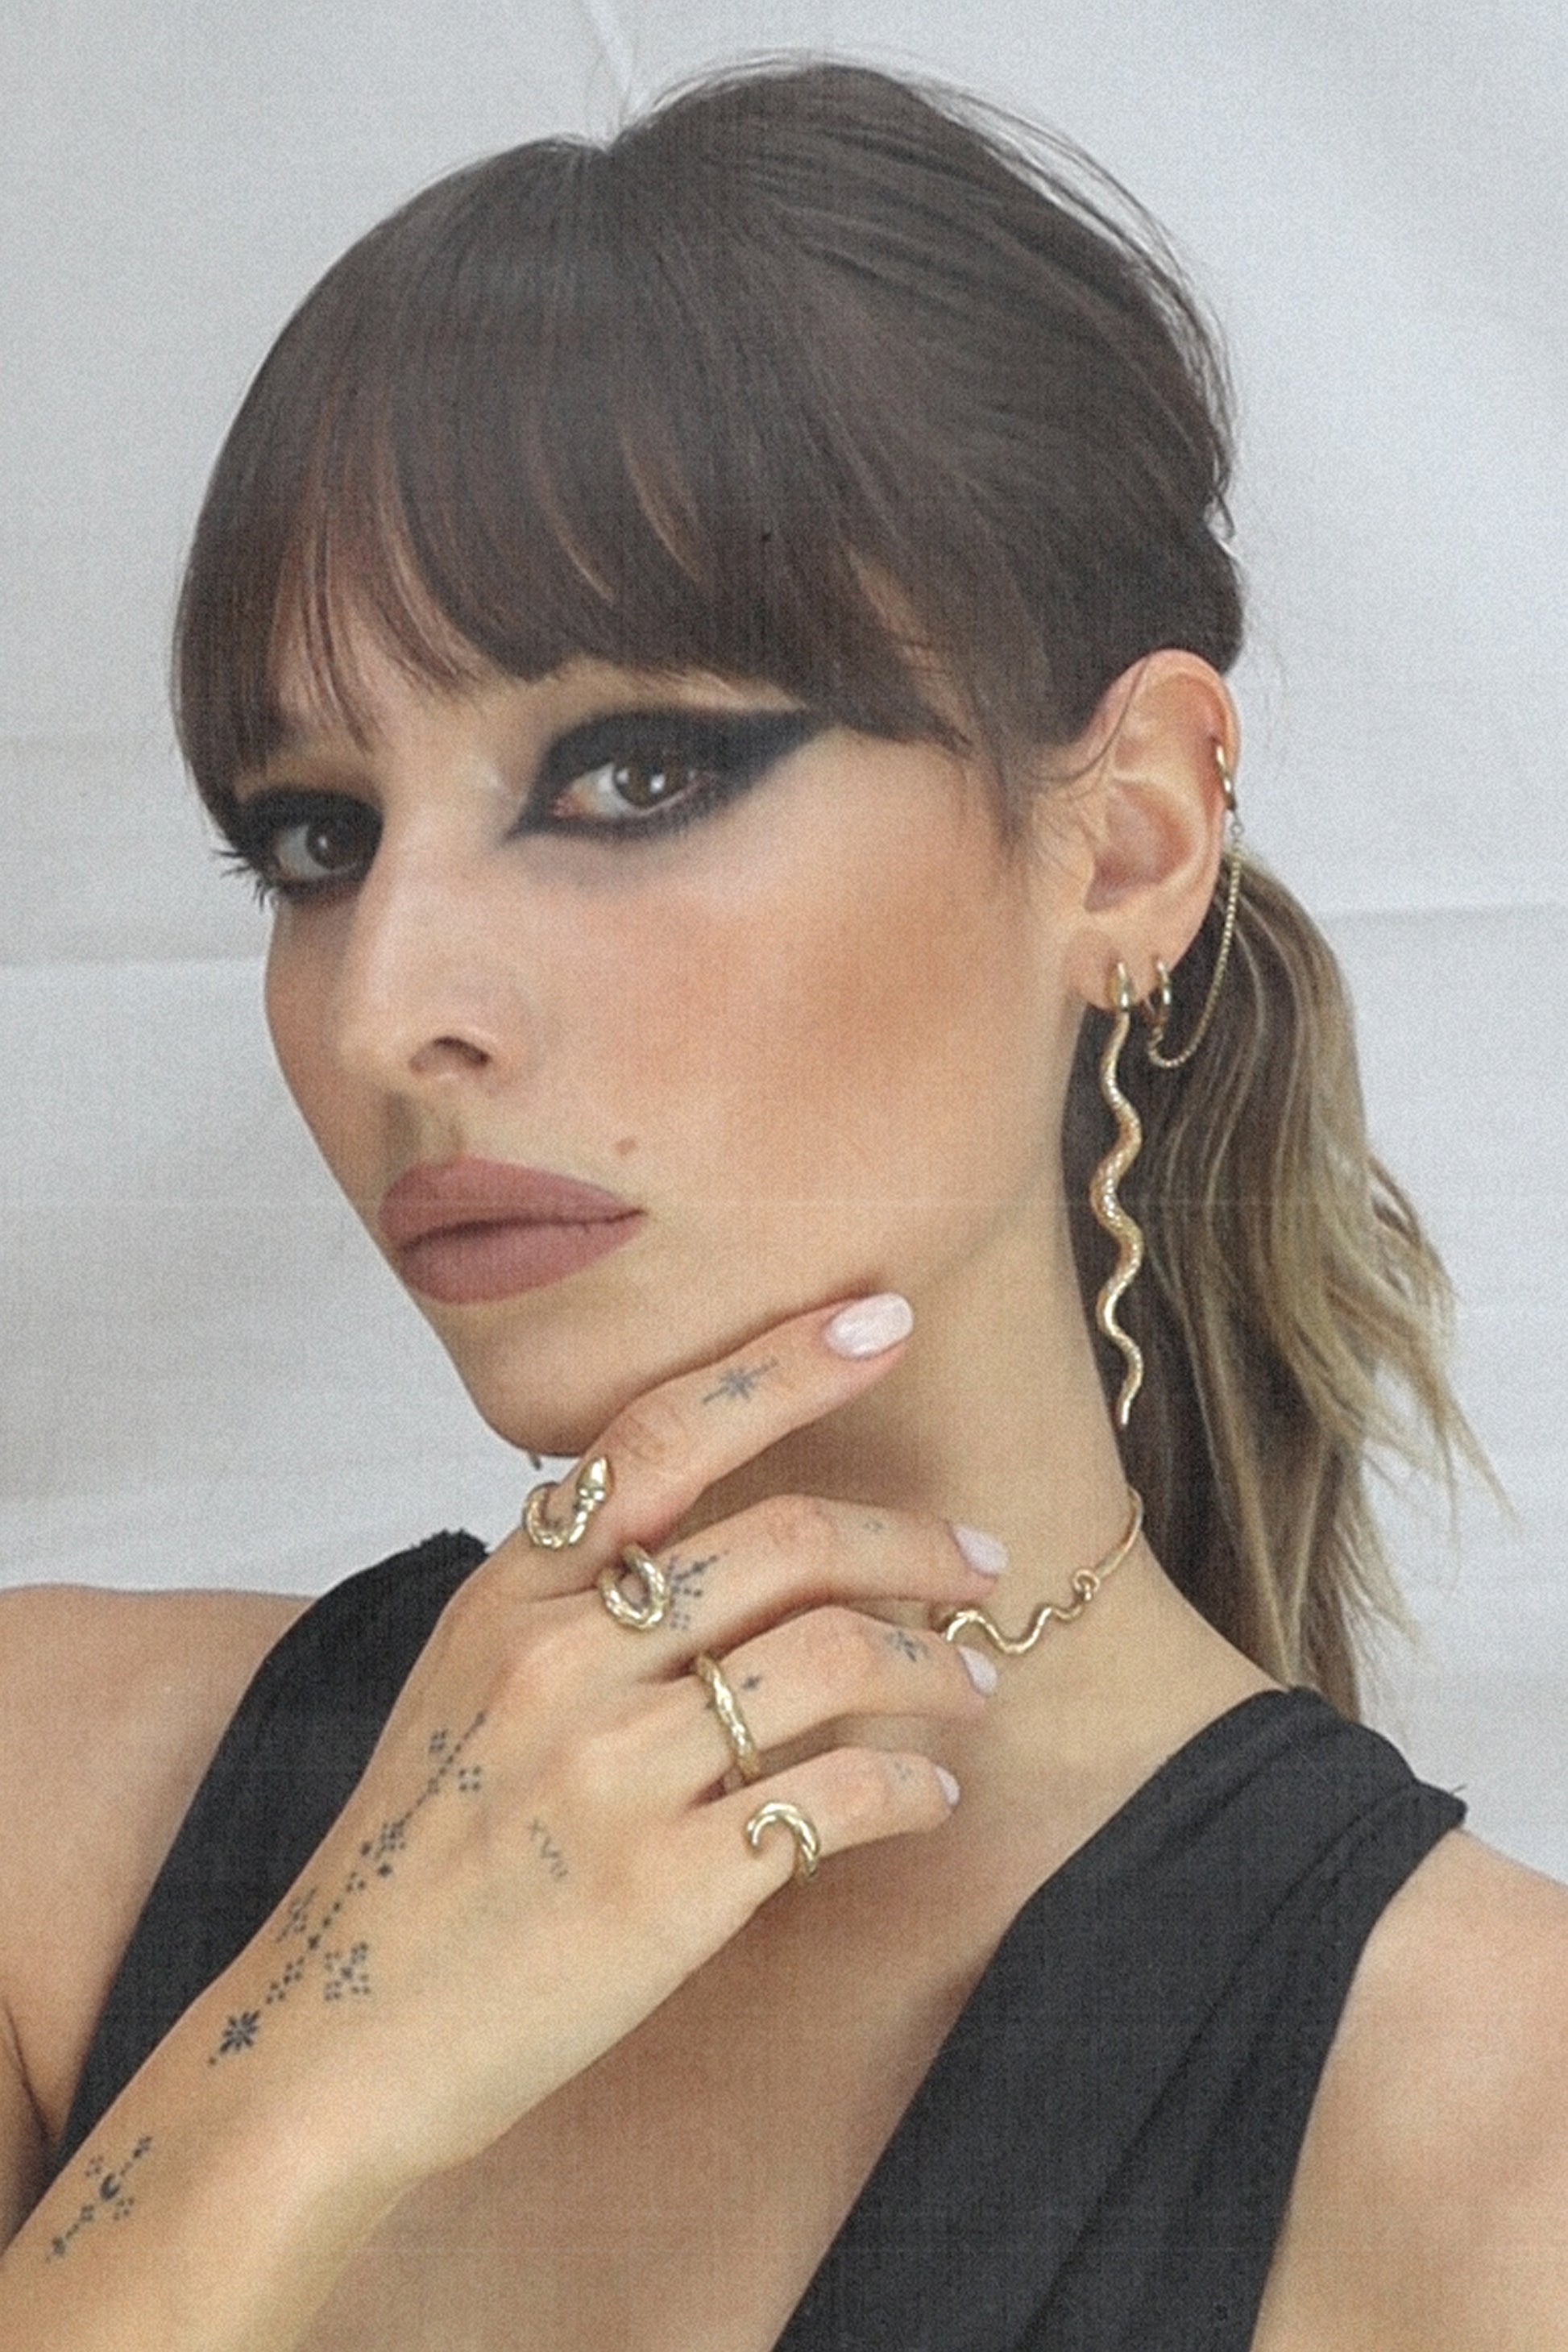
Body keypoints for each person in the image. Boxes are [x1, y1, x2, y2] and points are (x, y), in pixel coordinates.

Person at [1, 52, 1564, 2351]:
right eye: (316, 838)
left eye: (632, 772)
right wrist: (314, 2074)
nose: (382, 1009)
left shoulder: (1490, 2138)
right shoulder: (45, 1801)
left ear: (1123, 835)